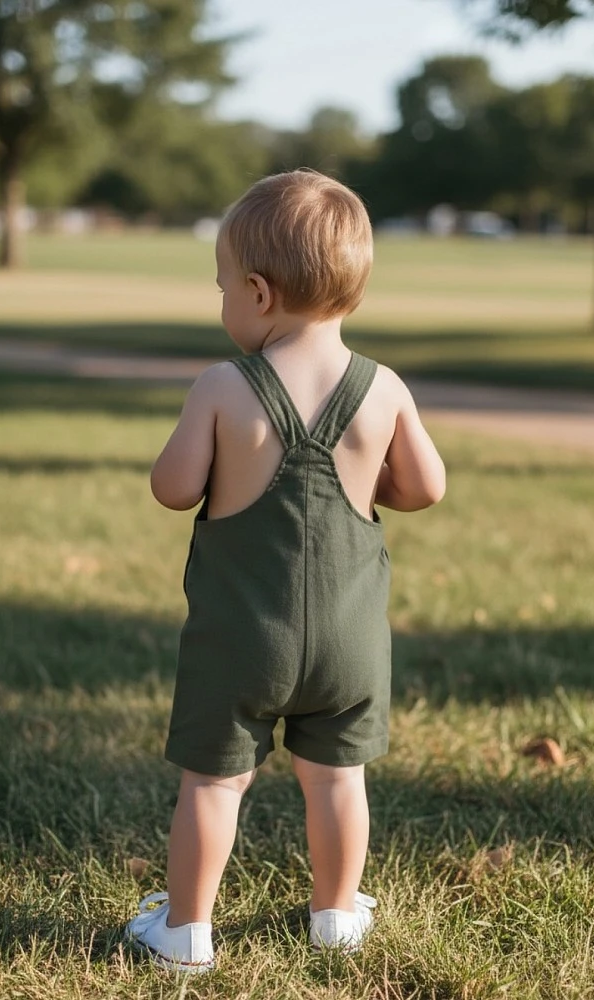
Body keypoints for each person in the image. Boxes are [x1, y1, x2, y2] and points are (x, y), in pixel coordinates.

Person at [125, 169, 446, 973]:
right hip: (348, 643)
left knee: (213, 785)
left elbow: (172, 489)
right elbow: (424, 488)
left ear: (259, 294)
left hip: (240, 641)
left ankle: (187, 931)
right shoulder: (385, 389)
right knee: (338, 780)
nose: (224, 301)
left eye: (224, 286)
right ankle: (336, 916)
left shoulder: (224, 388)